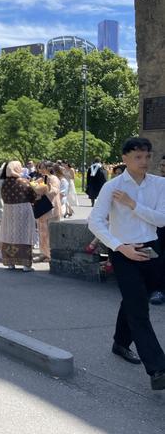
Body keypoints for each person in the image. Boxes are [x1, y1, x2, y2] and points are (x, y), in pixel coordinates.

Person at [88, 137, 165, 390]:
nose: (144, 162)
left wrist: (133, 205)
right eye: (137, 157)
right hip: (123, 252)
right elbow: (95, 222)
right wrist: (120, 247)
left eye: (147, 157)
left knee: (135, 300)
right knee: (138, 310)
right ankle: (158, 369)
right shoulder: (112, 187)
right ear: (125, 158)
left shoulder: (160, 184)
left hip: (152, 249)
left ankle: (120, 342)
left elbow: (162, 220)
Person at [0, 161, 40, 272]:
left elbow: (3, 197)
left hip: (9, 211)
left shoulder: (4, 183)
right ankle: (26, 265)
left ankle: (10, 263)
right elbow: (33, 196)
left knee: (10, 234)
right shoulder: (24, 182)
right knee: (25, 234)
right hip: (23, 211)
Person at [34, 161, 61, 263]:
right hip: (42, 208)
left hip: (51, 208)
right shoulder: (42, 178)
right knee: (42, 232)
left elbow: (54, 191)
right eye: (40, 168)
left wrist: (46, 188)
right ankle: (43, 253)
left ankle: (51, 255)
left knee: (50, 233)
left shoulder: (54, 178)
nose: (41, 170)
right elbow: (35, 188)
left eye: (43, 167)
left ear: (49, 168)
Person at [149, 155, 165, 305]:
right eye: (161, 166)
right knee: (159, 259)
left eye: (164, 166)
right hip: (160, 228)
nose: (162, 169)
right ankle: (158, 290)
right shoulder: (158, 185)